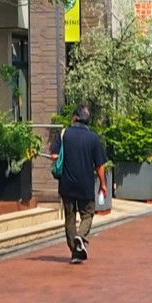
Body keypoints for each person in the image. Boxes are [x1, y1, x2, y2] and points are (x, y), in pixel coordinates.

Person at [49, 104, 108, 264]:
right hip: (85, 184)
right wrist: (103, 184)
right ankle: (80, 237)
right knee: (87, 214)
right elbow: (99, 164)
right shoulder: (93, 138)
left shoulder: (64, 134)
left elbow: (54, 155)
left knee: (69, 217)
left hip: (66, 184)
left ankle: (75, 251)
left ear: (75, 117)